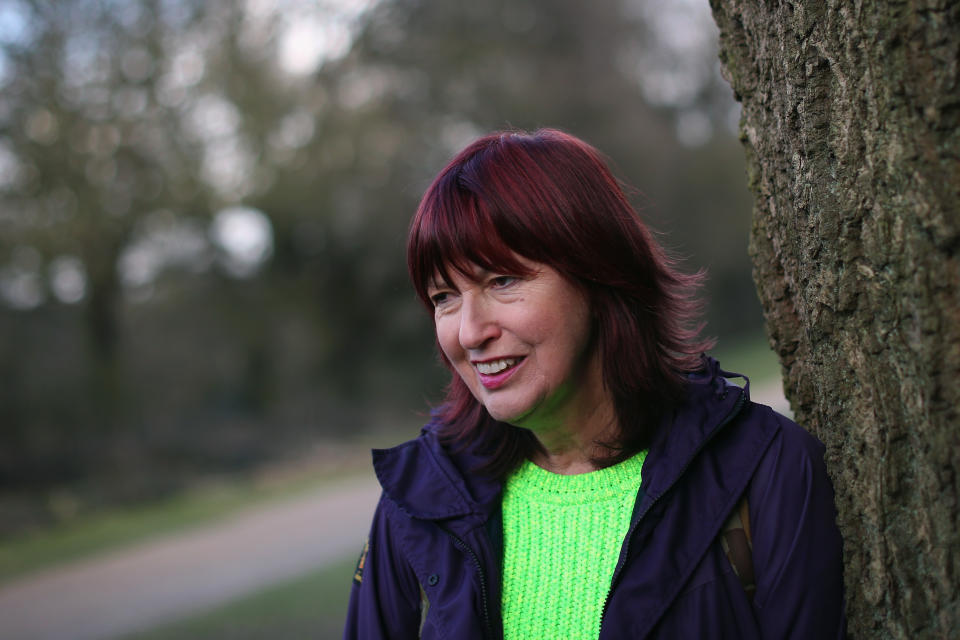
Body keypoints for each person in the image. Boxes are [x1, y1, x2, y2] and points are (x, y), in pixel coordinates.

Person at [343, 129, 845, 639]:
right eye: (444, 296)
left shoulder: (767, 470)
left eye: (503, 281)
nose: (470, 332)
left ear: (600, 272)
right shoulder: (419, 504)